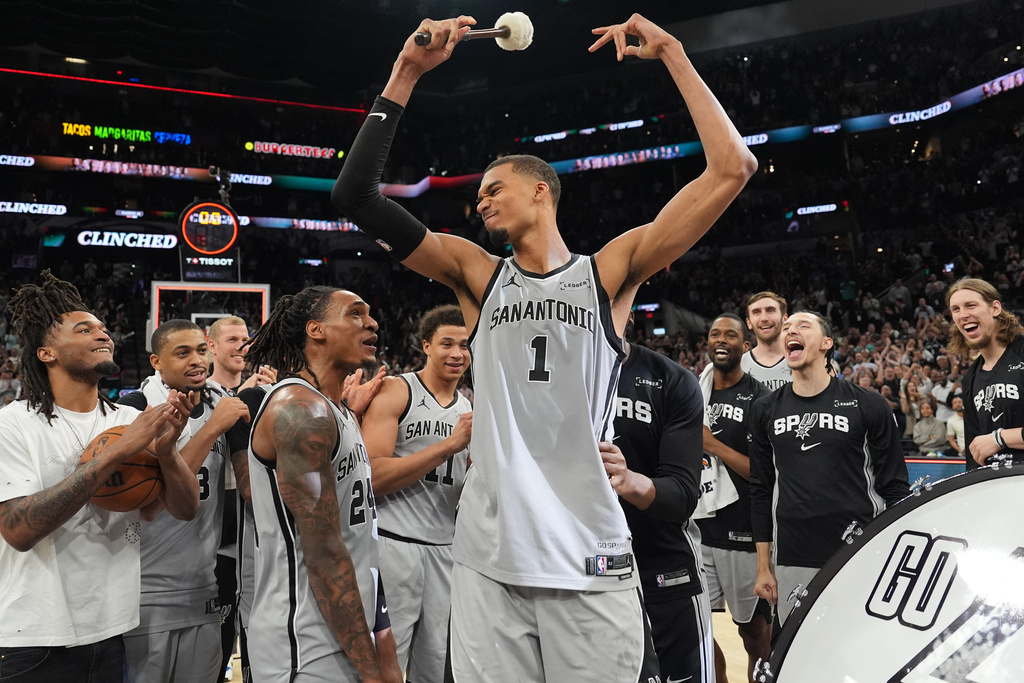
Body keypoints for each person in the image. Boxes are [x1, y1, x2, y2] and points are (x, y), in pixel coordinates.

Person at [332, 12, 757, 680]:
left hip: (587, 550)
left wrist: (674, 53)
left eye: (493, 189)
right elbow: (355, 194)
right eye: (478, 196)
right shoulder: (476, 274)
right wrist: (406, 71)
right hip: (489, 556)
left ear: (540, 189)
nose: (481, 202)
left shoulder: (608, 273)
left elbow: (733, 168)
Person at [0, 272, 199, 683]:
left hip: (111, 627)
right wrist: (118, 454)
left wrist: (166, 455)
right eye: (84, 329)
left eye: (103, 328)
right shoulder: (13, 424)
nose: (102, 334)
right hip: (30, 635)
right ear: (46, 354)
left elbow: (180, 510)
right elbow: (18, 530)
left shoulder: (130, 419)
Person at [242, 286, 398, 683]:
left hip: (344, 632)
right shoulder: (300, 411)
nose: (372, 322)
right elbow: (325, 553)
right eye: (355, 313)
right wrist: (371, 670)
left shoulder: (337, 410)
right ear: (316, 330)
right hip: (304, 646)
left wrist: (382, 640)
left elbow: (361, 538)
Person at [749, 311, 909, 626]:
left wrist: (893, 552)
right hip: (793, 553)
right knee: (800, 649)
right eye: (786, 328)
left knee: (860, 641)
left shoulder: (868, 403)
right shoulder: (765, 408)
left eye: (802, 326)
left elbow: (895, 487)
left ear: (826, 343)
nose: (790, 331)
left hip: (859, 548)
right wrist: (763, 566)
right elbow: (760, 489)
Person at [117, 320, 251, 683]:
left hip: (204, 590)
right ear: (156, 362)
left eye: (201, 350)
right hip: (145, 596)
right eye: (183, 353)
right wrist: (212, 429)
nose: (197, 360)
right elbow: (151, 503)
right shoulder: (133, 410)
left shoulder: (222, 403)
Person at [360, 305, 473, 683]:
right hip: (394, 544)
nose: (457, 353)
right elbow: (371, 475)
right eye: (446, 344)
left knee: (436, 667)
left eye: (465, 345)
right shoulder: (398, 390)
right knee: (385, 665)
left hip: (446, 551)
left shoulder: (469, 408)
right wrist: (449, 446)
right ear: (425, 345)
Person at [606, 325, 708, 682]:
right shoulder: (545, 382)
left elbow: (682, 495)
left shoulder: (671, 379)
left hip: (663, 568)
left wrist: (627, 480)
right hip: (581, 574)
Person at [698, 314, 771, 682]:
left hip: (744, 533)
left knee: (753, 633)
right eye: (715, 334)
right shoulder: (691, 391)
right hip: (699, 529)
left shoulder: (760, 398)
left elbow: (764, 473)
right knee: (699, 630)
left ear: (745, 346)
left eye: (730, 335)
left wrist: (712, 445)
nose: (721, 340)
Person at [206, 314, 276, 681]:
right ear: (212, 346)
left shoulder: (259, 393)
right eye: (232, 339)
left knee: (252, 643)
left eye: (246, 339)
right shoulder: (200, 395)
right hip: (214, 540)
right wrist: (238, 398)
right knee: (215, 650)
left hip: (250, 537)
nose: (242, 346)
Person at [946, 278, 1024, 469]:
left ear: (995, 308)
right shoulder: (970, 378)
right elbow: (976, 451)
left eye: (971, 305)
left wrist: (1000, 438)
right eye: (956, 309)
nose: (963, 315)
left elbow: (990, 441)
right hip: (999, 484)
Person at [742, 292, 792, 390]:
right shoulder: (739, 367)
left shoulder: (804, 362)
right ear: (749, 323)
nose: (764, 318)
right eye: (756, 312)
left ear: (785, 319)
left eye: (770, 310)